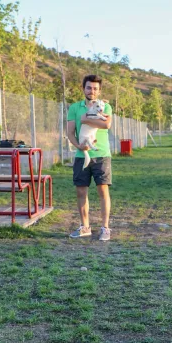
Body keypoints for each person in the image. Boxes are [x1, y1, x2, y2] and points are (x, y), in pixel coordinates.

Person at [66, 74, 113, 241]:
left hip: (101, 154)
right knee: (81, 191)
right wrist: (79, 146)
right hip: (81, 154)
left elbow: (106, 124)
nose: (91, 91)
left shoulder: (105, 106)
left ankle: (105, 228)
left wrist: (86, 119)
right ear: (83, 88)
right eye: (89, 87)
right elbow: (70, 132)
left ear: (99, 91)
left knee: (103, 190)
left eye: (95, 88)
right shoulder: (74, 108)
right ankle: (85, 227)